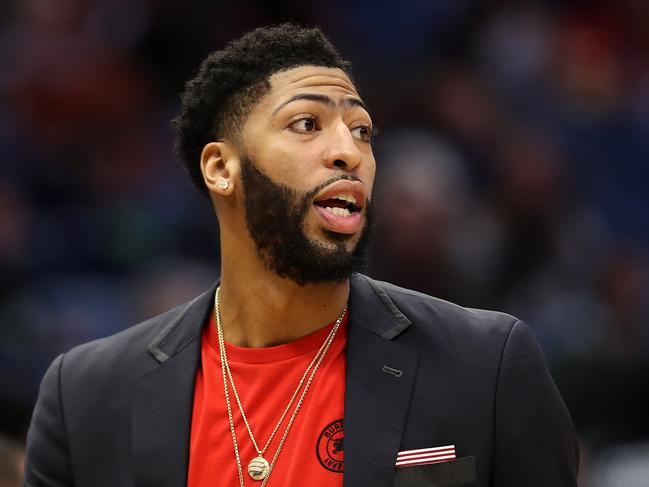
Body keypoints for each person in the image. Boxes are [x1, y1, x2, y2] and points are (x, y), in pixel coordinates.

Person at [24, 24, 579, 487]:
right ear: (221, 168)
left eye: (362, 132)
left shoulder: (487, 365)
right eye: (307, 124)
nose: (349, 152)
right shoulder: (86, 396)